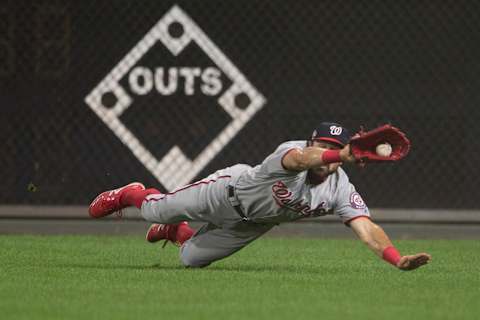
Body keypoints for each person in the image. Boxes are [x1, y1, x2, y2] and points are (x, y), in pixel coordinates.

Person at [89, 122, 432, 270]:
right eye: (323, 145)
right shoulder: (294, 151)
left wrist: (395, 258)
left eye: (335, 147)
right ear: (311, 142)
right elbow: (300, 160)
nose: (327, 152)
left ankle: (177, 233)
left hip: (252, 225)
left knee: (190, 260)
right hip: (224, 193)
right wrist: (337, 154)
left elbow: (366, 228)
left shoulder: (341, 187)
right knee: (154, 211)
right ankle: (132, 193)